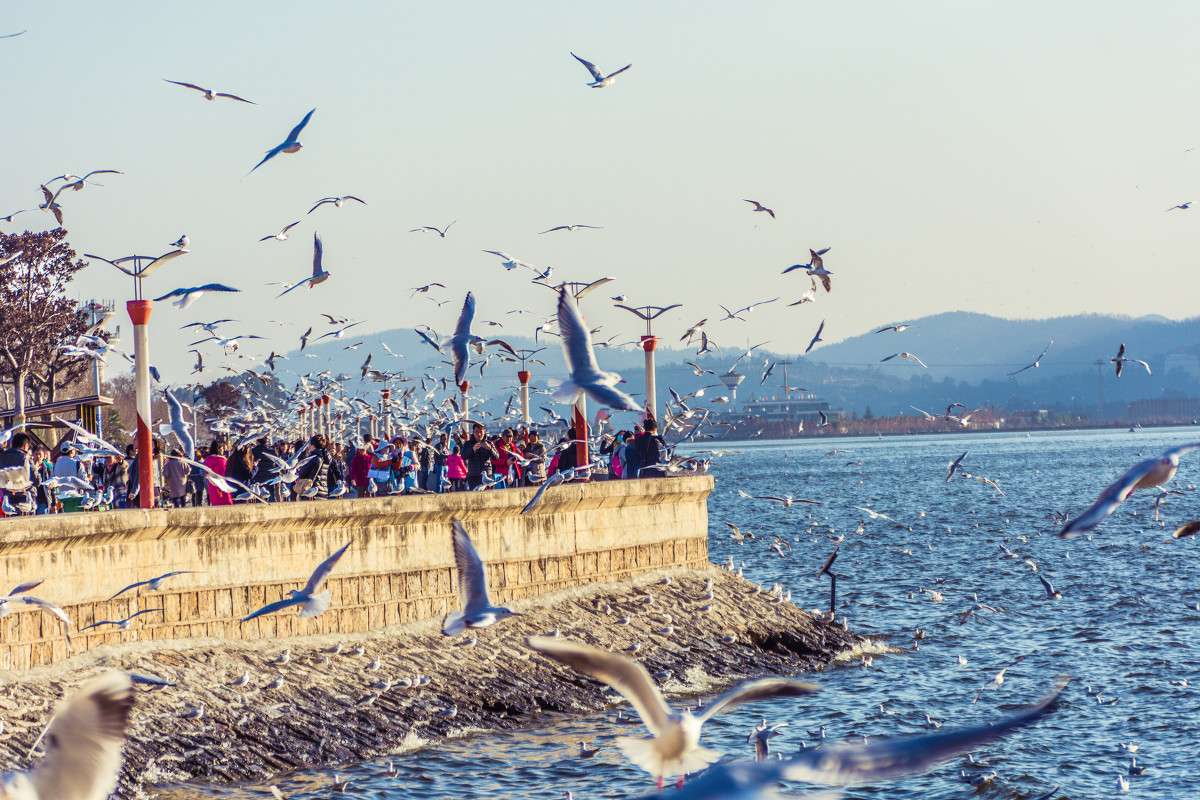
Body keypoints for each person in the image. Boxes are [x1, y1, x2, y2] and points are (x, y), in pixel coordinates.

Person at [0, 432, 35, 515]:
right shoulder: (25, 458)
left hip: (7, 497)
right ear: (26, 445)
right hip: (24, 497)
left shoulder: (2, 456)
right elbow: (35, 479)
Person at [464, 423, 499, 490]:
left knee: (488, 495)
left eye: (481, 432)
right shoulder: (468, 443)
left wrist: (490, 449)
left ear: (484, 432)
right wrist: (472, 450)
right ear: (473, 432)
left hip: (487, 475)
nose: (479, 434)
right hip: (473, 476)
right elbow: (463, 456)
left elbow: (497, 457)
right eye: (476, 432)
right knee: (474, 495)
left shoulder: (489, 443)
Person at [203, 441, 233, 506]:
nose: (223, 450)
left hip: (216, 485)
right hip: (220, 485)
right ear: (218, 449)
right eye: (222, 448)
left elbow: (206, 474)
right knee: (225, 503)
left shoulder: (208, 459)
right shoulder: (221, 460)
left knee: (219, 504)